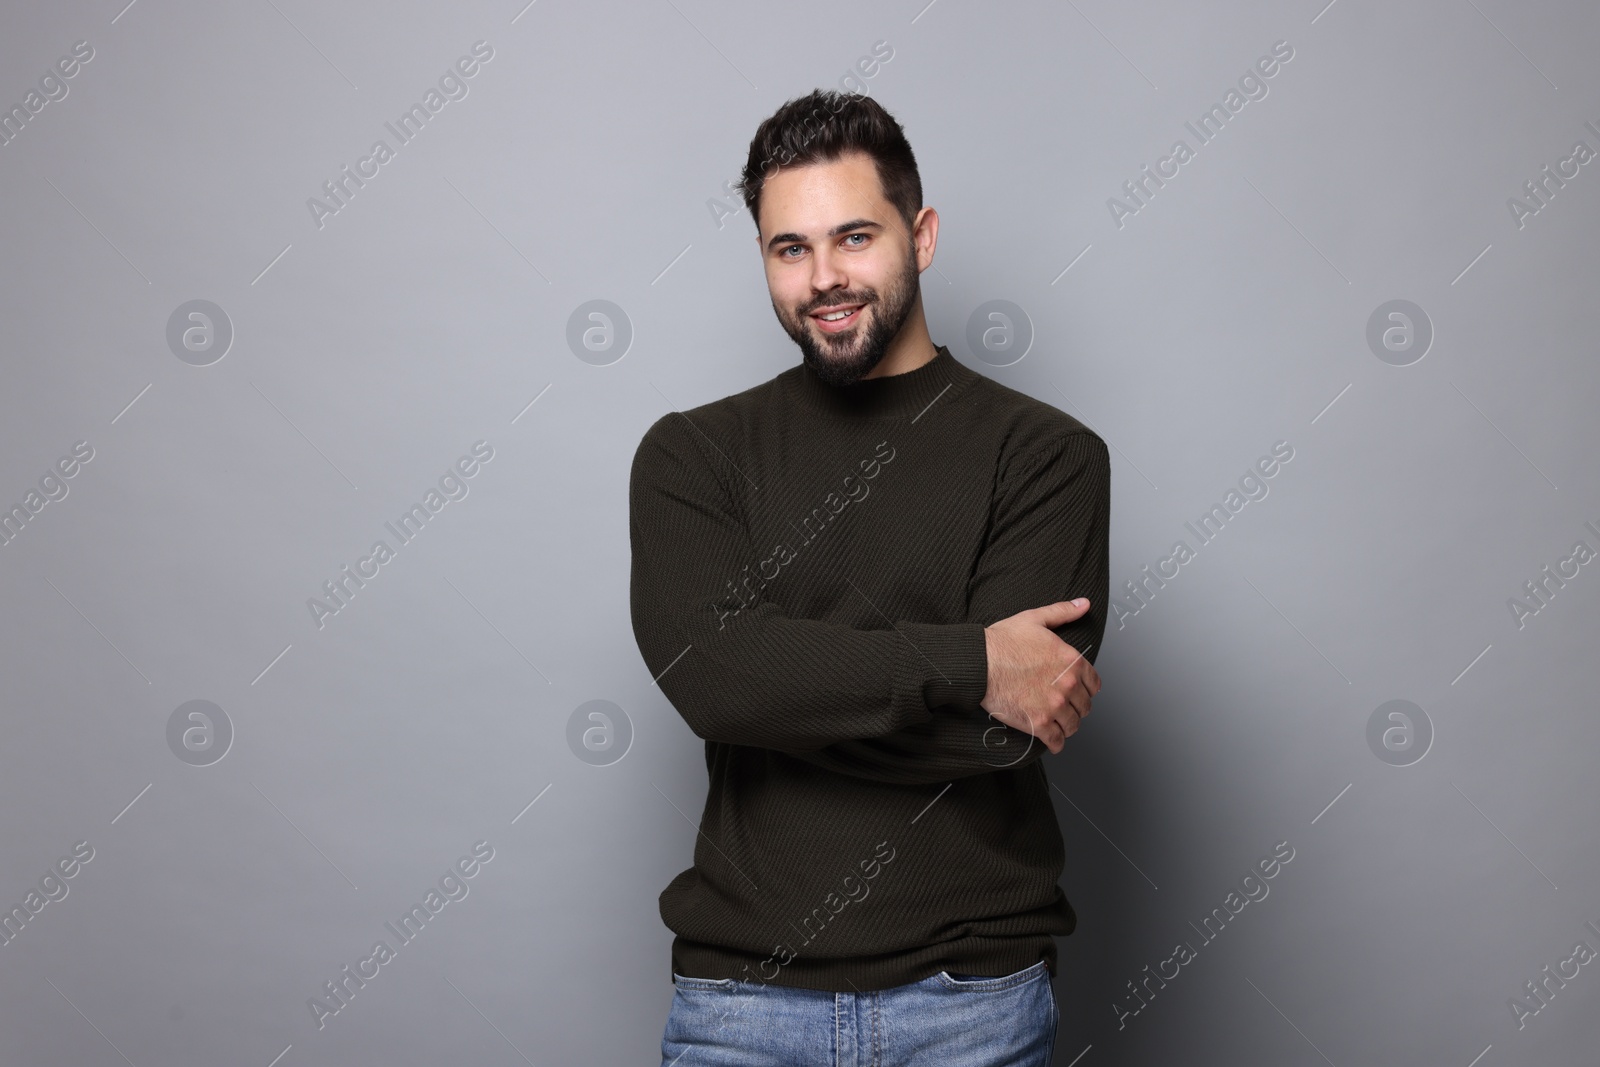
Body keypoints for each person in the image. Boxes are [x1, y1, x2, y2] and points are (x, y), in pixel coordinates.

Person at [629, 88, 1110, 1067]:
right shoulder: (694, 454)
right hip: (739, 1005)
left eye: (854, 236)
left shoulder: (1045, 455)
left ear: (921, 235)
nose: (824, 278)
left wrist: (782, 693)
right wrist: (973, 659)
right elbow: (712, 678)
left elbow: (1000, 737)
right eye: (789, 248)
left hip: (971, 1003)